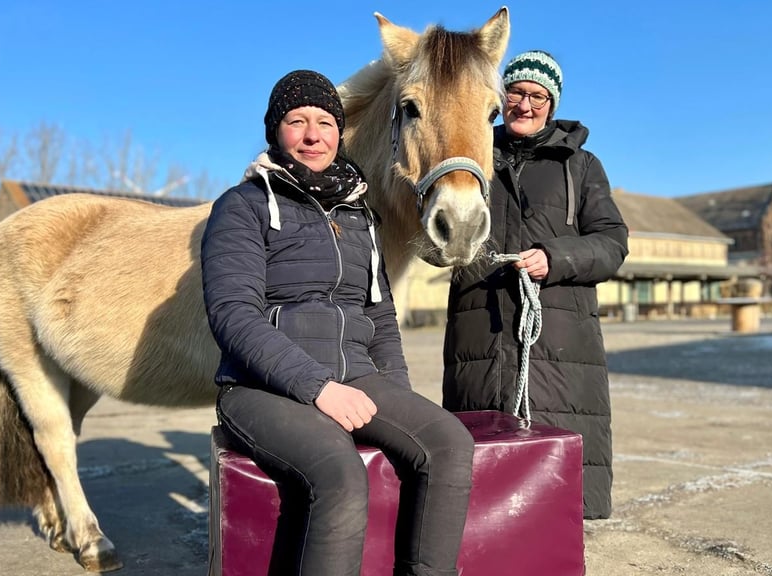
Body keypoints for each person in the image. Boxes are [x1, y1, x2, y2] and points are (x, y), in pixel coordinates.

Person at [202, 70, 474, 576]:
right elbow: (233, 316)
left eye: (325, 122)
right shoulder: (241, 207)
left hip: (355, 376)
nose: (313, 135)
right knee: (341, 475)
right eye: (297, 121)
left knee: (449, 444)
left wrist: (400, 398)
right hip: (262, 387)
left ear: (339, 131)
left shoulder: (358, 216)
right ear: (275, 131)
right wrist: (317, 387)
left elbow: (379, 315)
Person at [442, 51, 629, 520]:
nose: (524, 105)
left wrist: (557, 257)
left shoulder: (581, 166)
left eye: (537, 96)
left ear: (552, 102)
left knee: (554, 495)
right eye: (516, 92)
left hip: (558, 348)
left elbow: (612, 243)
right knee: (481, 494)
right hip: (479, 337)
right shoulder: (472, 155)